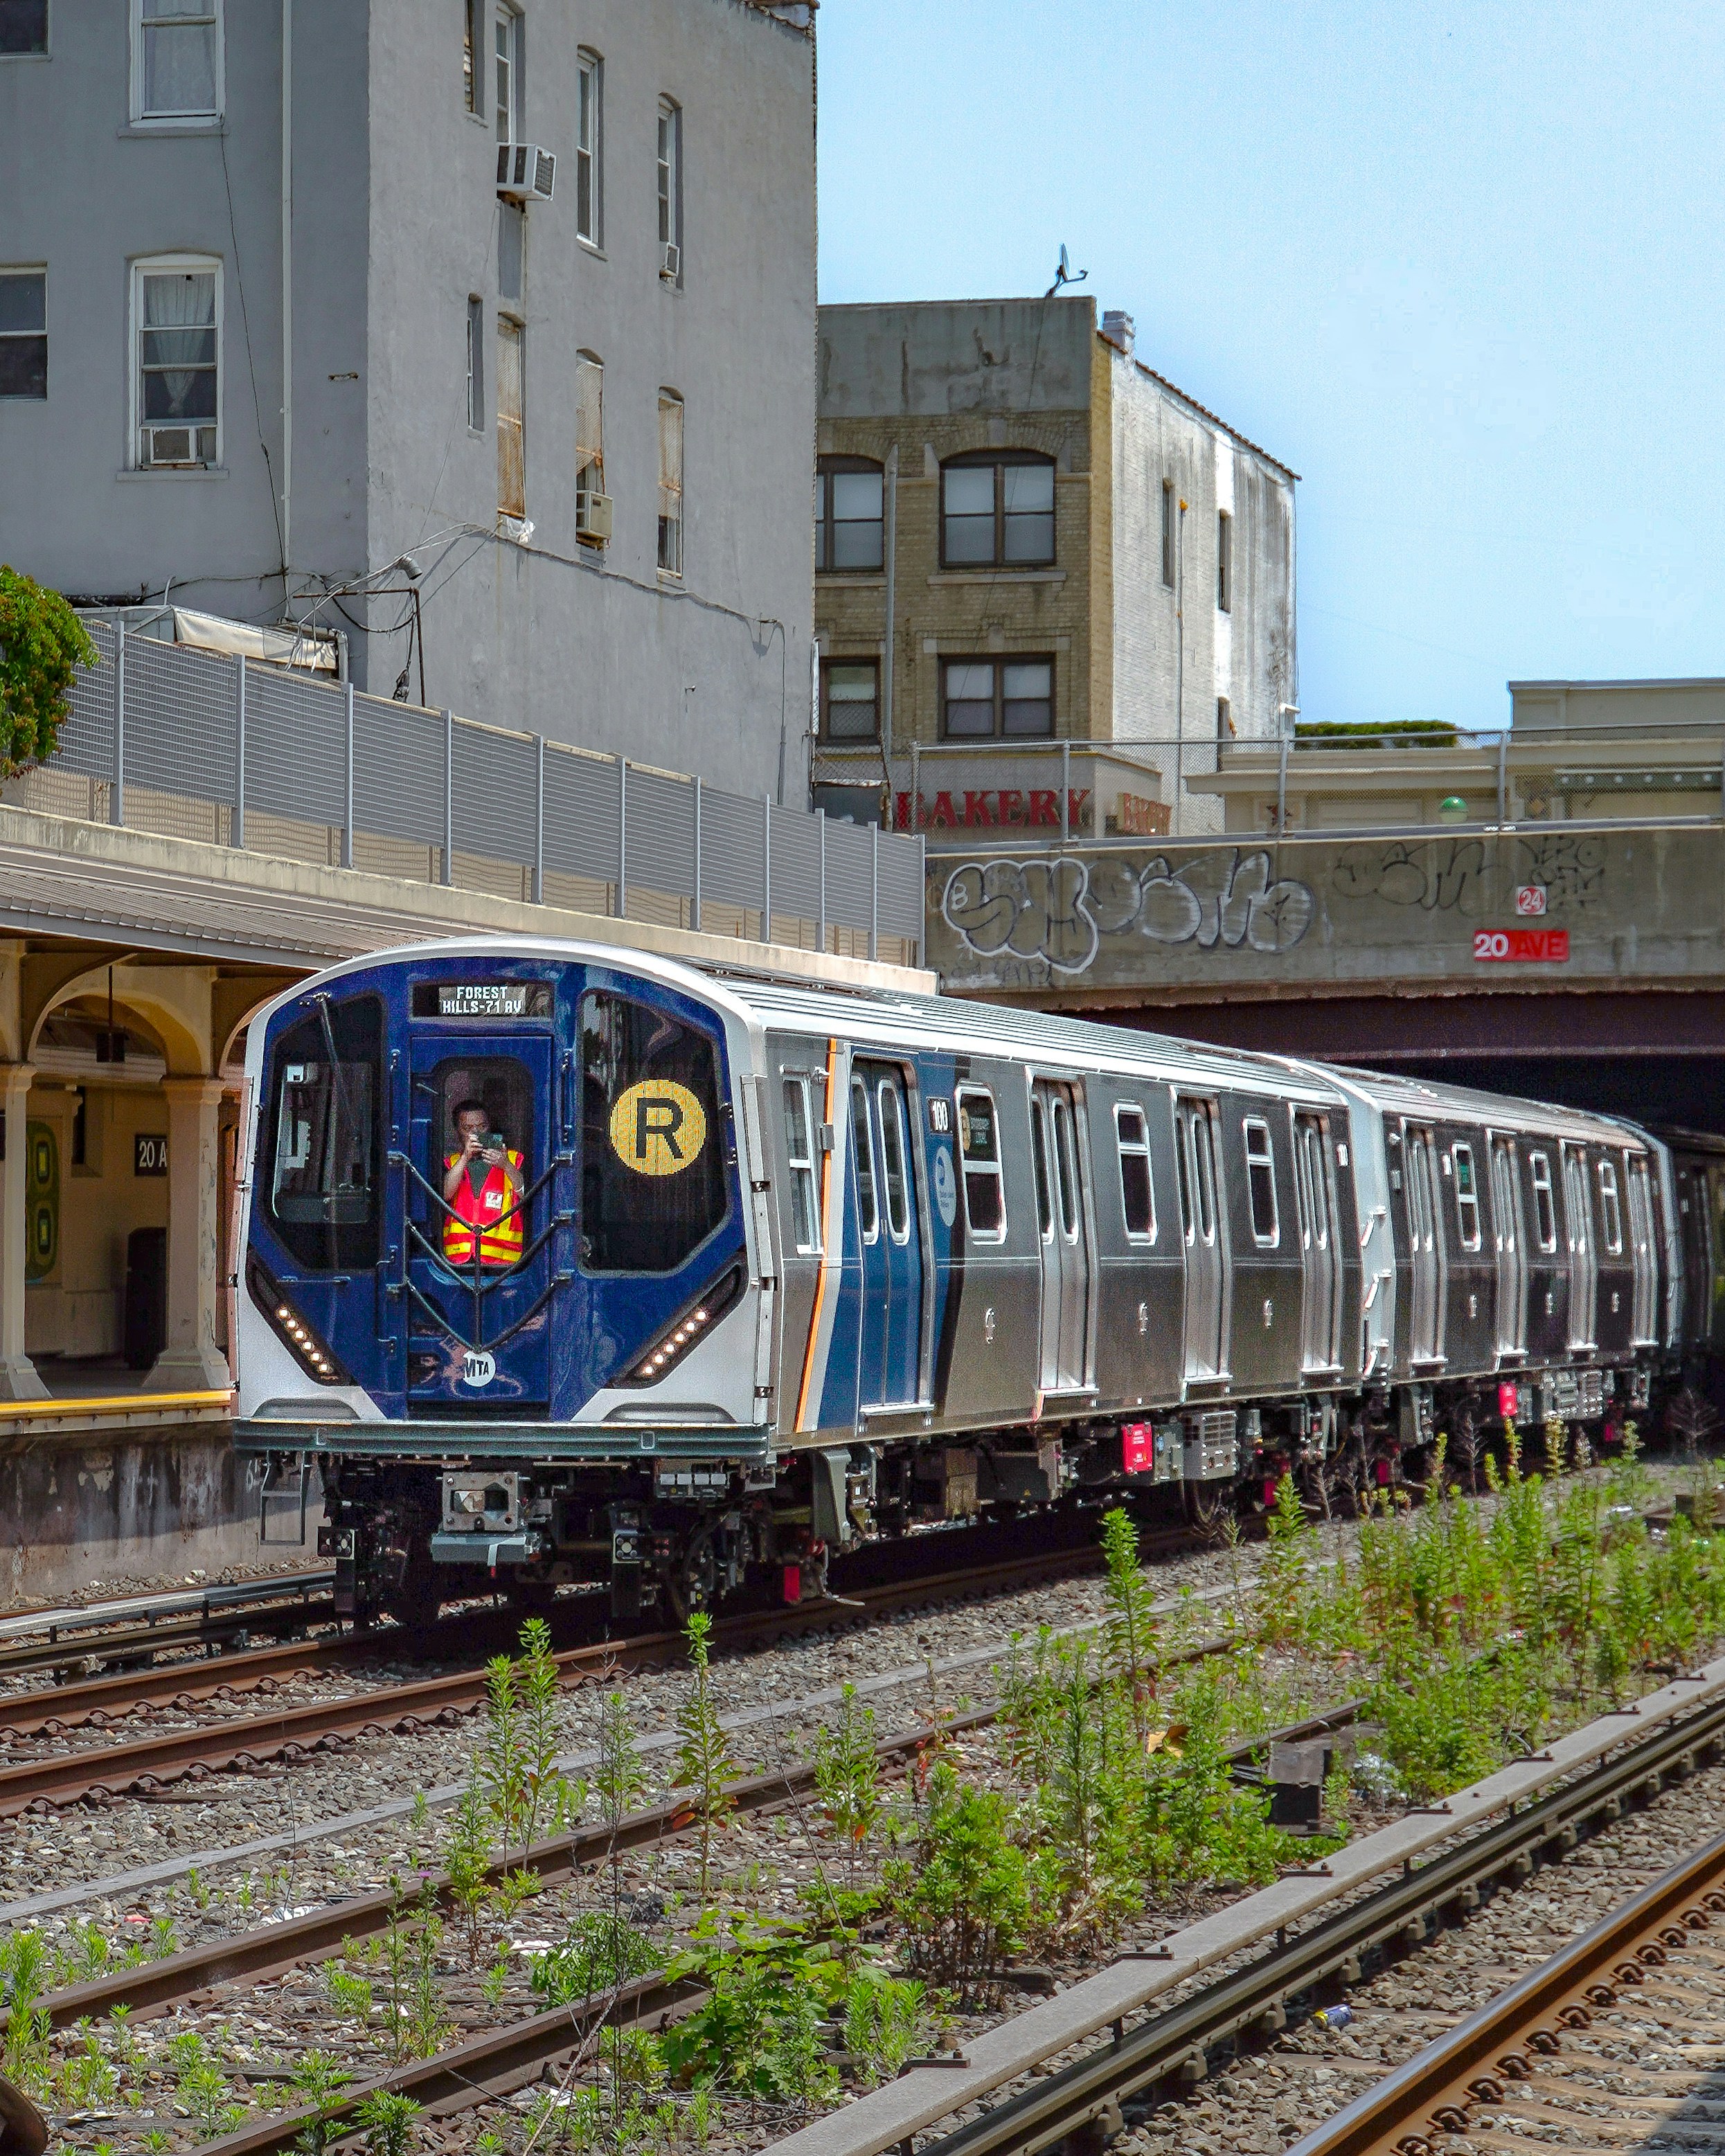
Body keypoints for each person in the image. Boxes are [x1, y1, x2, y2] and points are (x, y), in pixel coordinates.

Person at [441, 1099, 525, 1267]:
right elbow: (446, 1194)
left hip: (504, 1262)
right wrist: (465, 1157)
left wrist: (505, 1165)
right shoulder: (452, 1162)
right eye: (468, 1128)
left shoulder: (514, 1159)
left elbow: (525, 1194)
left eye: (482, 1127)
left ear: (490, 1126)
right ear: (458, 1131)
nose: (476, 1133)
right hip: (458, 1260)